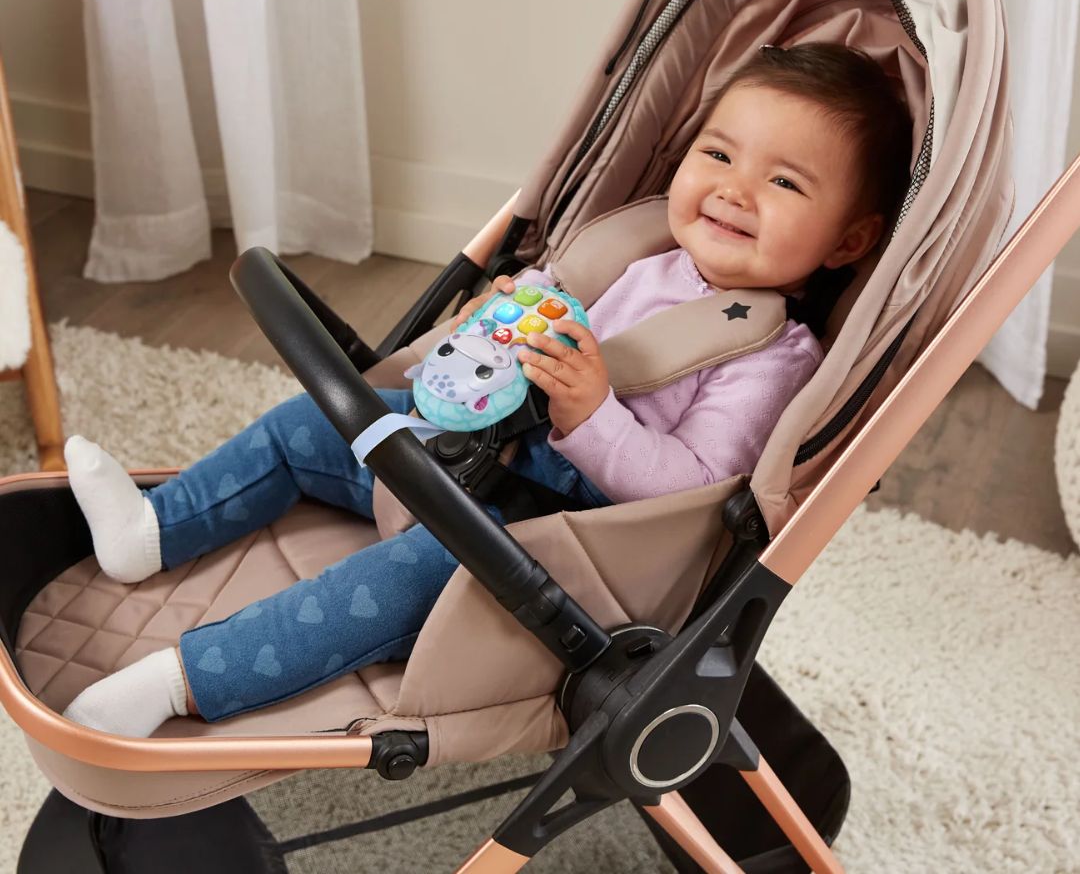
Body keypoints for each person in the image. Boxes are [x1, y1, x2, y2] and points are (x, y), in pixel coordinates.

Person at [61, 42, 912, 738]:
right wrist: (493, 333)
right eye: (718, 154)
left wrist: (590, 412)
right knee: (312, 420)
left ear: (849, 242)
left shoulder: (771, 357)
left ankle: (183, 682)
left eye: (784, 182)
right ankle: (153, 529)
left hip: (568, 535)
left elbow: (689, 495)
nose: (733, 188)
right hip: (483, 448)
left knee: (397, 582)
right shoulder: (642, 256)